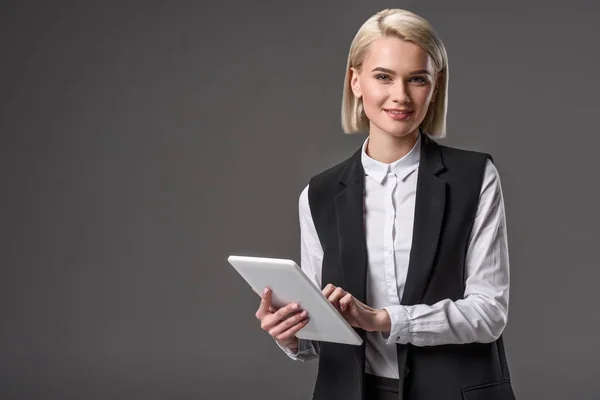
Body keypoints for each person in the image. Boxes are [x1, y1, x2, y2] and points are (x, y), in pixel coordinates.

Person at [254, 8, 515, 400]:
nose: (401, 95)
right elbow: (319, 333)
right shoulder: (319, 194)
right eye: (383, 77)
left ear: (435, 86)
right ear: (355, 81)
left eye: (417, 79)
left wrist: (383, 319)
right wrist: (289, 333)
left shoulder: (475, 177)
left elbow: (489, 313)